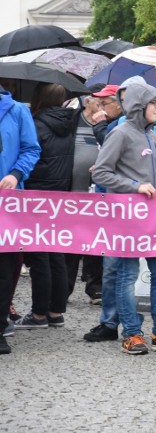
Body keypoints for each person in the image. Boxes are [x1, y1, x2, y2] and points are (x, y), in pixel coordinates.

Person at [91, 81, 156, 355]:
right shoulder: (120, 134)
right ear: (137, 106)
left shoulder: (155, 137)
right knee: (127, 275)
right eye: (153, 104)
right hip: (126, 219)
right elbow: (100, 173)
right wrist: (134, 186)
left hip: (153, 220)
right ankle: (132, 334)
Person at [13, 84, 75, 331]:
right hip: (60, 193)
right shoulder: (68, 123)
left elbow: (31, 156)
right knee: (56, 253)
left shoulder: (36, 124)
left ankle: (39, 314)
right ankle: (56, 311)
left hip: (36, 194)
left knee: (38, 255)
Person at [0, 83, 41, 354]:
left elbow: (31, 149)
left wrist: (16, 173)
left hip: (8, 202)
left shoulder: (16, 111)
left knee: (3, 269)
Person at [65, 86, 110, 305]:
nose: (102, 105)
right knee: (71, 241)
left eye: (105, 101)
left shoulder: (109, 125)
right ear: (87, 101)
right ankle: (64, 289)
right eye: (98, 101)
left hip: (99, 194)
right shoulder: (72, 121)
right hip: (74, 191)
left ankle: (95, 287)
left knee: (96, 239)